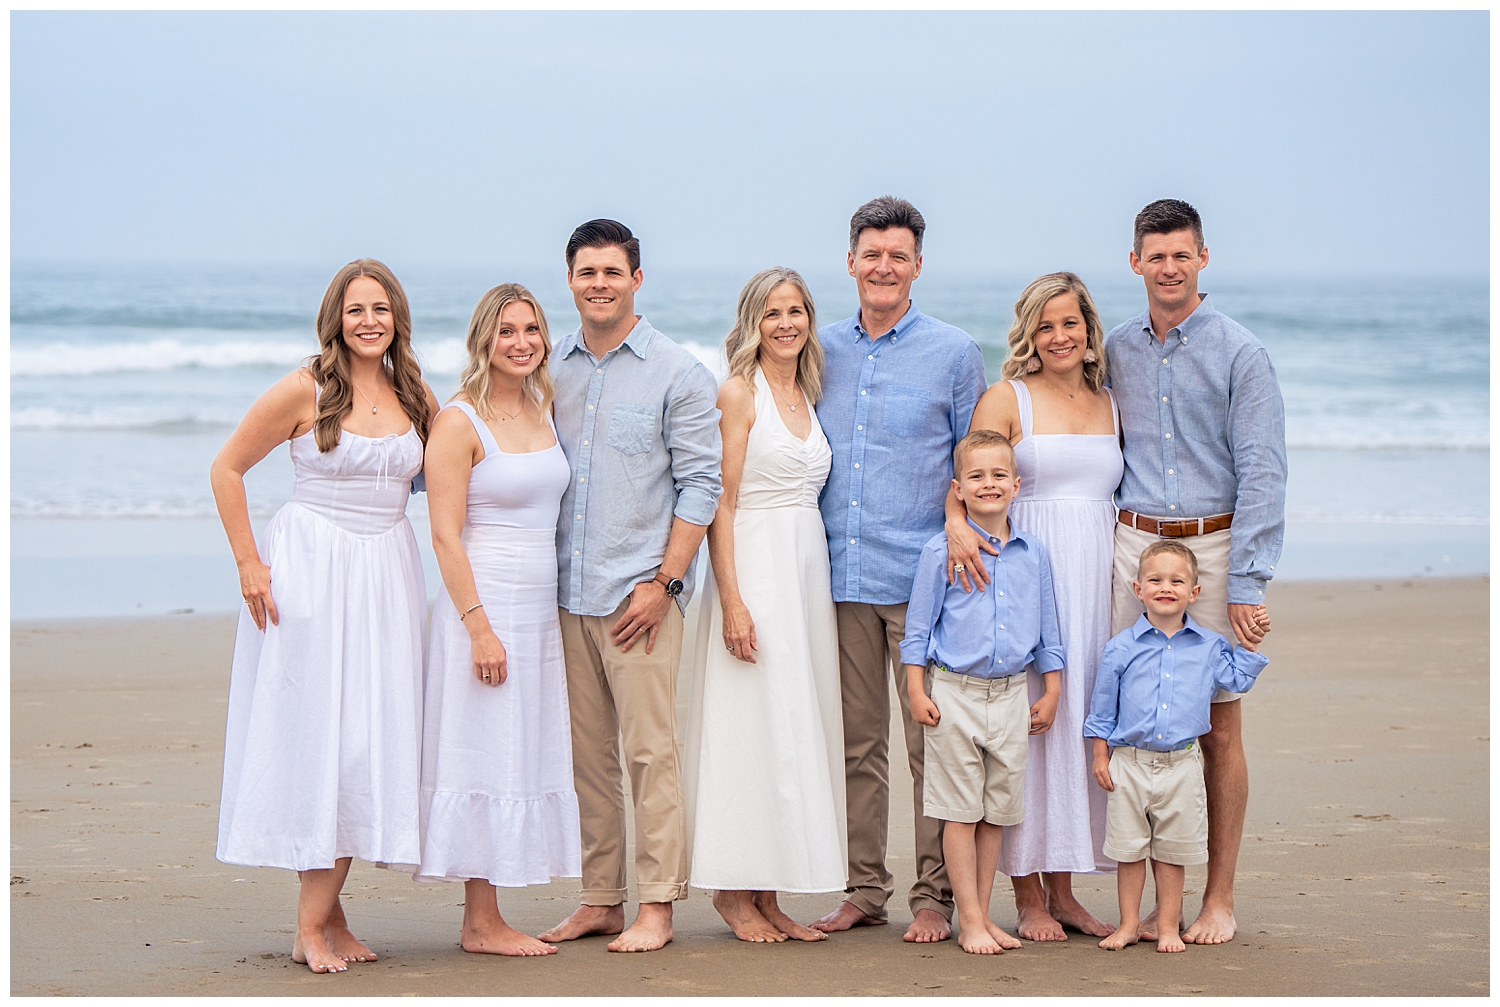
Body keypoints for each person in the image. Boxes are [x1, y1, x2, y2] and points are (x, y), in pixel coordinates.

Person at [210, 259, 440, 974]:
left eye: (380, 308)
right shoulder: (303, 388)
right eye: (355, 310)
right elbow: (226, 469)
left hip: (387, 575)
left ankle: (330, 915)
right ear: (335, 320)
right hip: (310, 572)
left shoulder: (416, 394)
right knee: (322, 739)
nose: (369, 320)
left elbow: (455, 479)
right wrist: (250, 561)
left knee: (367, 740)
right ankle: (310, 927)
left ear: (397, 317)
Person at [539, 220, 723, 953]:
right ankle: (599, 898)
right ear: (571, 279)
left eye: (612, 271)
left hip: (638, 597)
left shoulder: (678, 372)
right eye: (587, 272)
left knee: (651, 754)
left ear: (636, 278)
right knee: (589, 760)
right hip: (568, 594)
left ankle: (657, 905)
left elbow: (701, 485)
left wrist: (664, 583)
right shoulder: (551, 367)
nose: (599, 284)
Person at [1106, 198, 1285, 945]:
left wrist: (1247, 579)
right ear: (1136, 262)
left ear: (1203, 258)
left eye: (1182, 254)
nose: (1169, 267)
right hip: (1131, 550)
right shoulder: (1114, 347)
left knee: (1215, 725)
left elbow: (1264, 470)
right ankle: (1151, 906)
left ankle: (1218, 897)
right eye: (1157, 255)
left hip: (1212, 553)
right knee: (1141, 726)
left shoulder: (1242, 352)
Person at [811, 196, 988, 943]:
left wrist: (958, 521)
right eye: (871, 253)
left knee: (930, 745)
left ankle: (934, 895)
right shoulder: (816, 348)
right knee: (857, 745)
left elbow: (978, 461)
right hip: (839, 577)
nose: (884, 267)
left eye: (898, 256)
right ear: (850, 260)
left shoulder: (953, 353)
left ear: (918, 266)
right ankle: (863, 888)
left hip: (923, 582)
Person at [944, 272, 1119, 941]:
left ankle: (1066, 887)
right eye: (1045, 325)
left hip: (1096, 575)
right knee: (1024, 730)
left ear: (1088, 328)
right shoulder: (1006, 395)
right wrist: (959, 531)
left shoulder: (1111, 400)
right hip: (1022, 573)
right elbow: (967, 479)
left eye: (1069, 323)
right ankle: (1027, 895)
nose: (1058, 337)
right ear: (1028, 332)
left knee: (1074, 717)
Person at [416, 284, 580, 956]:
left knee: (521, 748)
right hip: (485, 606)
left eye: (532, 329)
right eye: (506, 330)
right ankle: (481, 921)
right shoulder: (459, 421)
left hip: (540, 608)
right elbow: (445, 535)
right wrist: (479, 627)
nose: (521, 342)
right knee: (486, 751)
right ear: (484, 339)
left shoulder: (545, 408)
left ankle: (490, 914)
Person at [684, 267, 845, 944]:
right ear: (752, 322)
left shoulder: (808, 392)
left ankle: (770, 893)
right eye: (772, 312)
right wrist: (733, 601)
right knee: (748, 724)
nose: (786, 323)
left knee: (791, 722)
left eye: (797, 310)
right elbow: (721, 502)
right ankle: (731, 890)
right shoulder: (737, 392)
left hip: (804, 569)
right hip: (753, 567)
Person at [901, 430, 1065, 954]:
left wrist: (1053, 689)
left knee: (996, 812)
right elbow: (918, 629)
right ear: (958, 488)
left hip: (1013, 695)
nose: (988, 484)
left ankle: (984, 913)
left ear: (1017, 485)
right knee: (959, 812)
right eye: (976, 476)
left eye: (999, 475)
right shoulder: (938, 551)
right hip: (955, 695)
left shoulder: (1033, 554)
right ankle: (968, 918)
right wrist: (915, 688)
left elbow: (1049, 629)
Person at [1085, 540, 1268, 953]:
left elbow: (1236, 681)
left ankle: (1168, 925)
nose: (1165, 587)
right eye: (1155, 580)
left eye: (1176, 581)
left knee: (1171, 851)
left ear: (1194, 592)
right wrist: (1100, 755)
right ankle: (1129, 923)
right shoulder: (1120, 648)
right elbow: (1102, 708)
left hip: (1183, 765)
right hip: (1129, 764)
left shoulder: (1209, 646)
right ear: (1137, 588)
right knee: (1129, 851)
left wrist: (1251, 646)